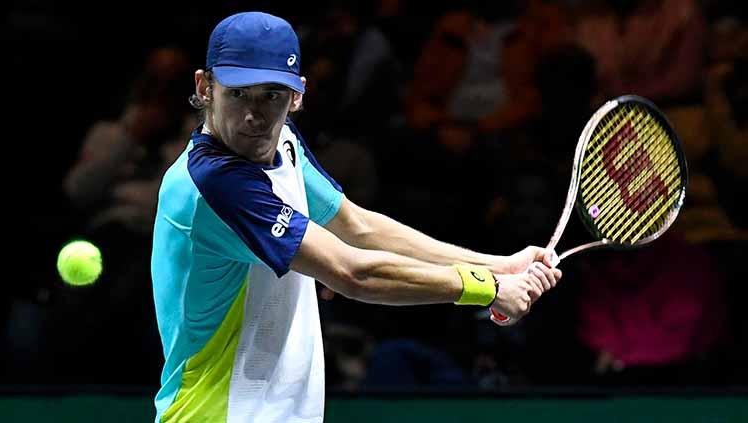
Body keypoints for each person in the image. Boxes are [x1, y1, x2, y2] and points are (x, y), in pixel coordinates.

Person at [150, 11, 562, 422]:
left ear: (297, 96)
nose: (254, 115)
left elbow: (357, 226)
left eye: (271, 95)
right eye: (238, 94)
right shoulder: (214, 182)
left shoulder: (283, 142)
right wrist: (486, 288)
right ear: (205, 87)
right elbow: (352, 272)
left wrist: (499, 265)